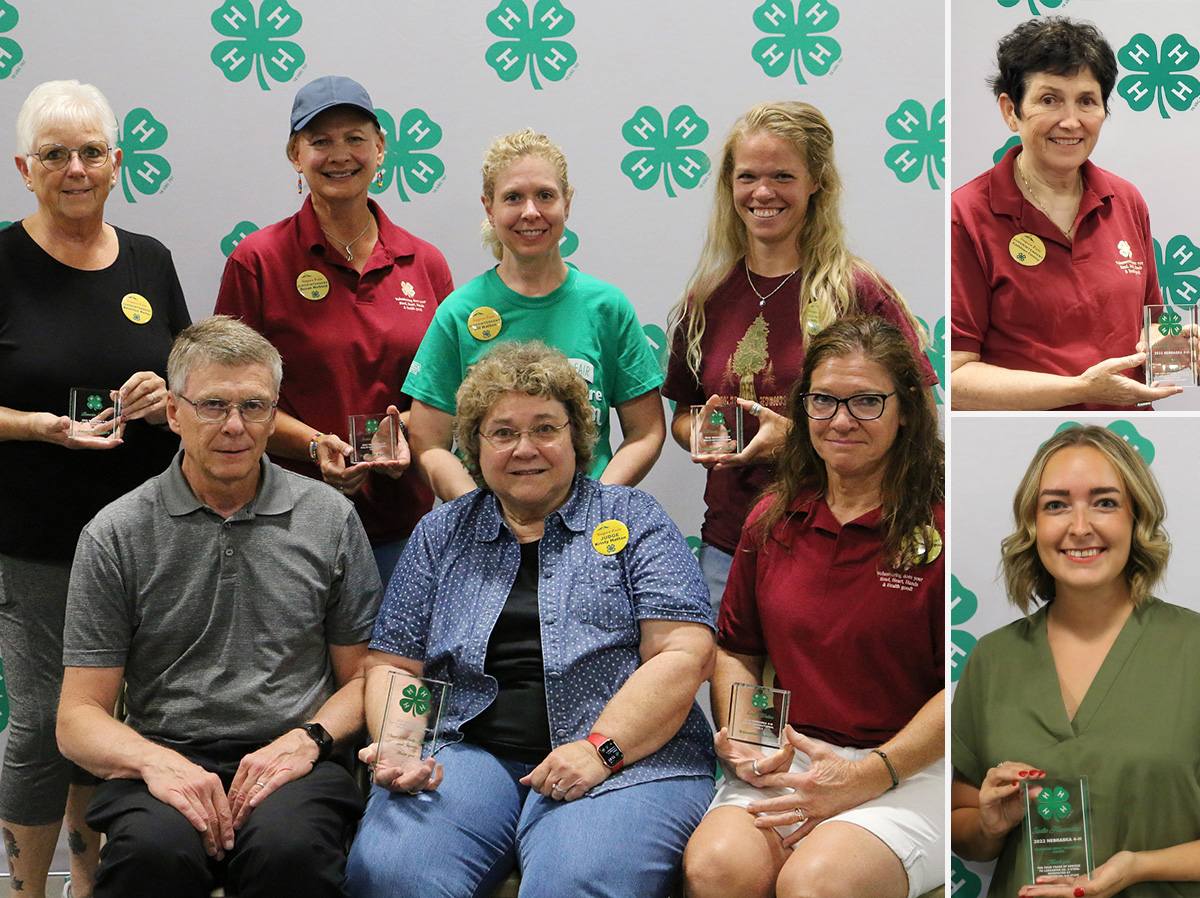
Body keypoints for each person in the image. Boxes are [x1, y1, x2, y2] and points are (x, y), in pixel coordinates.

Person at [345, 341, 715, 898]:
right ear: (474, 444)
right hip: (469, 750)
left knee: (577, 882)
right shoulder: (442, 532)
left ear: (576, 437)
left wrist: (600, 750)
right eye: (502, 432)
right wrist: (401, 749)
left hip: (625, 758)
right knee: (393, 873)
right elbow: (396, 665)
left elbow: (684, 653)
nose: (526, 449)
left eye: (546, 428)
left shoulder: (633, 518)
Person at [56, 317, 380, 898]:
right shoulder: (116, 533)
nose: (235, 426)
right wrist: (156, 764)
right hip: (162, 756)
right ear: (174, 413)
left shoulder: (329, 518)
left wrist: (307, 741)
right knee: (150, 857)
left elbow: (363, 680)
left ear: (274, 411)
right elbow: (78, 718)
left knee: (291, 854)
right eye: (212, 405)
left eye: (255, 406)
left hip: (293, 759)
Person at [0, 79, 191, 898]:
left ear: (117, 163)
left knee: (114, 719)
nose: (74, 168)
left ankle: (91, 886)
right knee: (46, 719)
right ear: (24, 167)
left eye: (90, 153)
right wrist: (38, 426)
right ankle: (26, 889)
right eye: (55, 155)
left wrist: (164, 396)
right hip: (36, 536)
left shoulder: (151, 258)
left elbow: (192, 382)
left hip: (142, 538)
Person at [683, 317, 945, 898]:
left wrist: (866, 775)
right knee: (716, 868)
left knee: (816, 883)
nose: (842, 420)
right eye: (823, 400)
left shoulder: (944, 524)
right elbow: (737, 651)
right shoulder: (770, 518)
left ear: (905, 411)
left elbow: (965, 685)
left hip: (908, 770)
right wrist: (748, 735)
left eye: (867, 402)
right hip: (792, 757)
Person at [663, 101, 936, 609]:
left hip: (838, 539)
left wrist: (791, 437)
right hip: (728, 545)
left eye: (782, 175)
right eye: (748, 176)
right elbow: (683, 414)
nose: (762, 193)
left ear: (817, 182)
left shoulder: (859, 293)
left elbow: (919, 417)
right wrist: (702, 432)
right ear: (729, 185)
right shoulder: (706, 299)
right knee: (733, 687)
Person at [215, 75, 454, 582]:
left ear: (380, 147)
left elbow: (452, 394)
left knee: (395, 666)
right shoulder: (257, 261)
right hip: (283, 530)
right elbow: (225, 399)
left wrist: (405, 434)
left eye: (354, 138)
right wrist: (314, 445)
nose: (339, 154)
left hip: (404, 533)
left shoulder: (426, 264)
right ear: (295, 156)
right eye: (320, 141)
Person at [952, 426, 1200, 898]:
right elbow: (966, 834)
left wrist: (1138, 866)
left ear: (1136, 518)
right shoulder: (993, 658)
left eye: (1104, 502)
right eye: (1056, 504)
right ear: (1033, 524)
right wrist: (988, 825)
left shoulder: (1193, 648)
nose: (1080, 527)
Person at [405, 129, 665, 503]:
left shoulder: (607, 307)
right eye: (513, 197)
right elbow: (429, 444)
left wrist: (596, 505)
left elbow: (647, 432)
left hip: (589, 530)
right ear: (488, 207)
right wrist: (480, 513)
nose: (531, 212)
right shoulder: (457, 314)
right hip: (487, 535)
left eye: (545, 195)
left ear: (567, 202)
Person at [950, 18, 1175, 411]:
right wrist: (1080, 390)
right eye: (1049, 100)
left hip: (1126, 432)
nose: (1071, 121)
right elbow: (955, 378)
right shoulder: (966, 213)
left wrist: (1178, 351)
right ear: (1011, 111)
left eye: (1087, 101)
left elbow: (1150, 325)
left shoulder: (1126, 199)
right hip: (1019, 440)